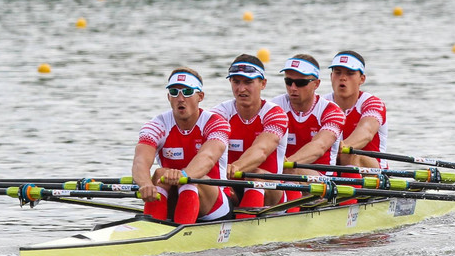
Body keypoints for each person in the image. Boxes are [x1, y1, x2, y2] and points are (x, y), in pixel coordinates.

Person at [132, 68, 232, 224]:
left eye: (187, 92)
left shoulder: (217, 123)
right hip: (176, 198)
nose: (180, 98)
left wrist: (183, 176)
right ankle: (150, 232)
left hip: (214, 204)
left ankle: (178, 234)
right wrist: (145, 184)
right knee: (159, 175)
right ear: (168, 98)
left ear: (200, 96)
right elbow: (140, 161)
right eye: (174, 92)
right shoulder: (156, 125)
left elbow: (208, 157)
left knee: (190, 180)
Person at [210, 55, 288, 216]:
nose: (241, 88)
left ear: (263, 83)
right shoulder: (219, 114)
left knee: (257, 176)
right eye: (236, 82)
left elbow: (261, 150)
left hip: (271, 193)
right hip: (230, 185)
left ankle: (243, 228)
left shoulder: (275, 114)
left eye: (248, 82)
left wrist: (236, 167)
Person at [271, 54, 344, 171]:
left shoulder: (332, 112)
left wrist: (286, 165)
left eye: (300, 83)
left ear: (316, 84)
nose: (293, 88)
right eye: (288, 81)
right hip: (282, 175)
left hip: (320, 179)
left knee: (293, 172)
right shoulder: (274, 107)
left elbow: (319, 146)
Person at [324, 51, 387, 169]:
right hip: (331, 168)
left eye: (350, 73)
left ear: (362, 79)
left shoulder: (373, 104)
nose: (342, 78)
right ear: (331, 77)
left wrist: (339, 147)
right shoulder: (321, 104)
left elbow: (366, 132)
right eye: (337, 73)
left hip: (373, 173)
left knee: (349, 153)